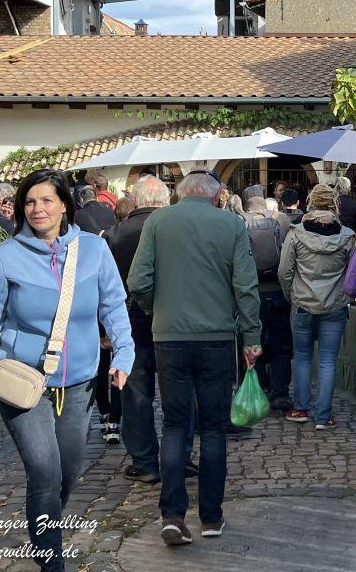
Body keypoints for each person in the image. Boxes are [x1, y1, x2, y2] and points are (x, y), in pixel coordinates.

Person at [0, 169, 134, 572]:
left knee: (68, 471)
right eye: (30, 202)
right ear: (21, 208)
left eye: (46, 200)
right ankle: (51, 561)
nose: (38, 209)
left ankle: (46, 526)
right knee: (44, 468)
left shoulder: (93, 250)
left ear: (64, 205)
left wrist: (123, 354)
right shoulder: (6, 257)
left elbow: (113, 307)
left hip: (78, 383)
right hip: (23, 383)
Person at [128, 171, 263, 545]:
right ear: (215, 195)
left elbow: (138, 281)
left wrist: (156, 310)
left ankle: (172, 514)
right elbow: (246, 285)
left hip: (169, 336)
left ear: (180, 193)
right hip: (217, 337)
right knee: (214, 428)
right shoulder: (230, 224)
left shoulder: (157, 221)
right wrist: (252, 335)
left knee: (174, 424)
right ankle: (211, 516)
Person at [103, 176, 185, 483]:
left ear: (134, 201)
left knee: (136, 396)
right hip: (175, 321)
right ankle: (180, 456)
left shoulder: (114, 235)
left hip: (129, 322)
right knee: (179, 391)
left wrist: (106, 329)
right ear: (165, 200)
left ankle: (146, 461)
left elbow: (104, 287)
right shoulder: (179, 228)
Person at [278, 184, 354, 429]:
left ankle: (300, 408)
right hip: (334, 305)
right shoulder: (347, 236)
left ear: (310, 202)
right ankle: (323, 416)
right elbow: (352, 274)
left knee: (301, 357)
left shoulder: (296, 233)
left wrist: (291, 295)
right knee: (328, 361)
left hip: (302, 304)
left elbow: (284, 271)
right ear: (334, 204)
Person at [242, 185, 293, 411]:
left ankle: (261, 389)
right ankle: (280, 392)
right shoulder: (280, 219)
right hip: (278, 291)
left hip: (252, 293)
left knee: (256, 342)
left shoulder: (239, 222)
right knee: (282, 345)